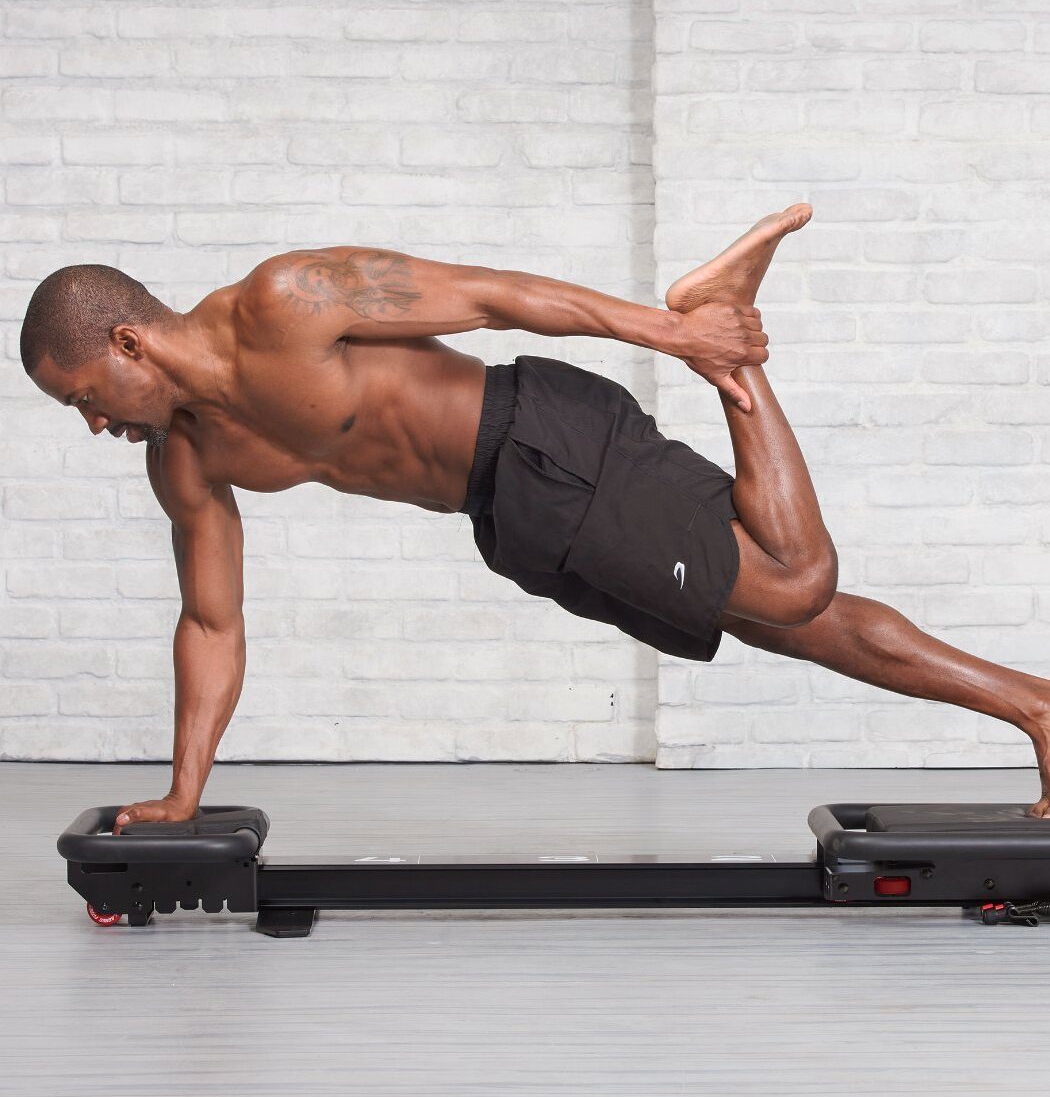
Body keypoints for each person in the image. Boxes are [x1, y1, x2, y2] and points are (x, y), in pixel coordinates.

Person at [20, 204, 1050, 827]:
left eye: (85, 396)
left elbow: (494, 294)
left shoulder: (285, 301)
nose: (95, 421)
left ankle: (723, 334)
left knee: (792, 582)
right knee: (789, 616)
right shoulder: (188, 460)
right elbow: (211, 621)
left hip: (535, 438)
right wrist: (182, 792)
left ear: (127, 342)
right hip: (511, 511)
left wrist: (677, 333)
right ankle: (1037, 705)